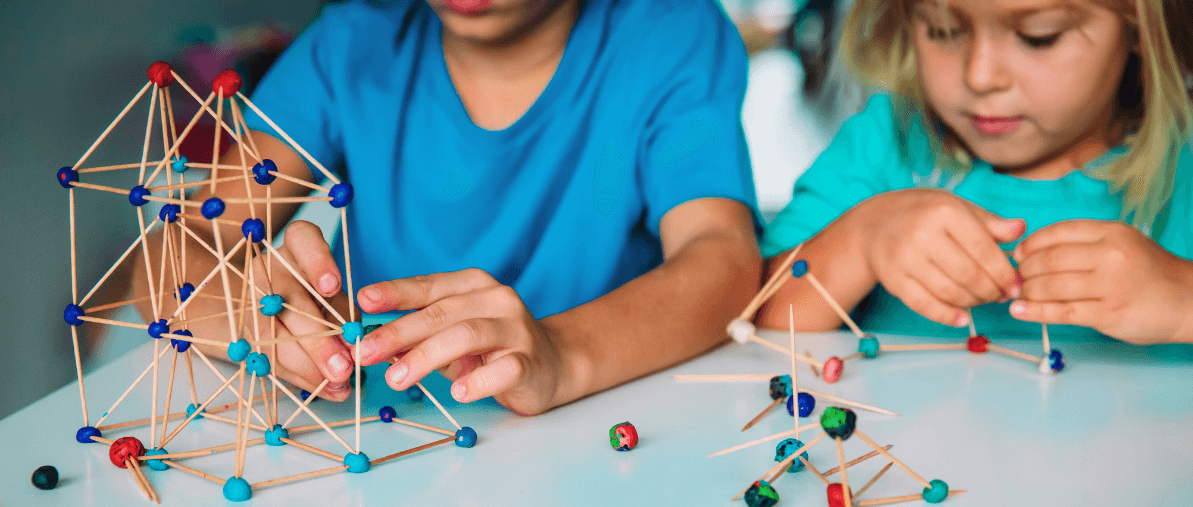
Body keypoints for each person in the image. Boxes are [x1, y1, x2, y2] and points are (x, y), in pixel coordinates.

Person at [134, 0, 761, 415]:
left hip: (606, 428)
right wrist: (246, 309)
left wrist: (561, 353)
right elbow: (173, 246)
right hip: (383, 440)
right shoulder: (353, 41)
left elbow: (723, 256)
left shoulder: (671, 31)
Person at [757, 0, 1193, 346]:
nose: (980, 75)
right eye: (943, 30)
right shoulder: (885, 143)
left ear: (1137, 23)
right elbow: (757, 321)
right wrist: (861, 242)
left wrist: (1185, 302)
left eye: (1037, 36)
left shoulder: (1190, 160)